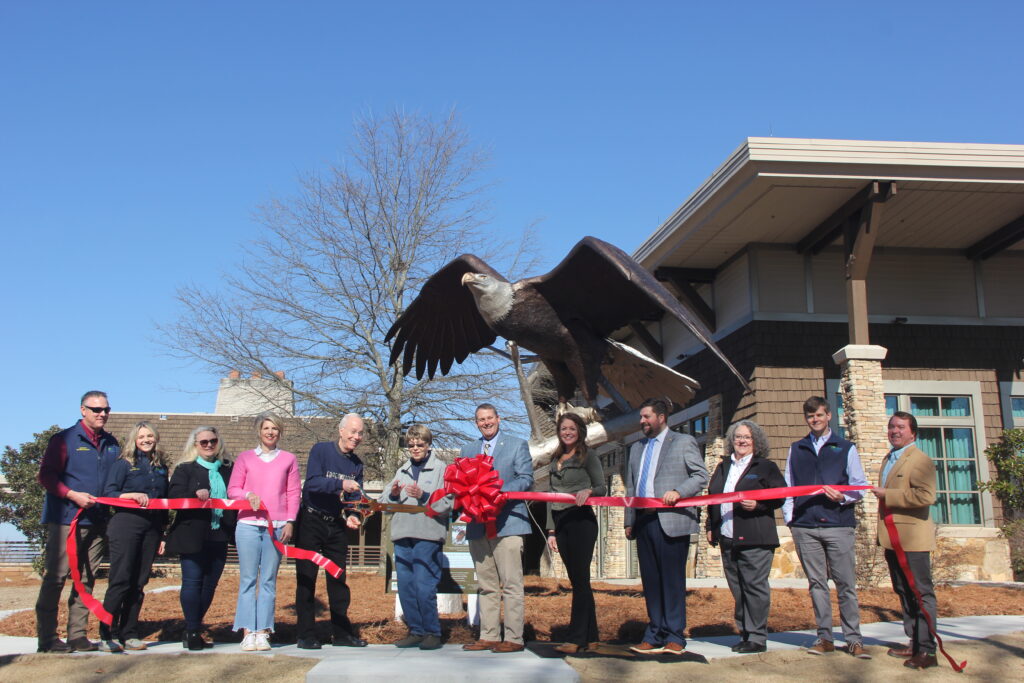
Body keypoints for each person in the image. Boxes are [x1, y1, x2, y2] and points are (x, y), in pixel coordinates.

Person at [782, 396, 871, 658]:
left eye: (819, 415)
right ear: (806, 419)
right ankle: (825, 638)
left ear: (828, 415)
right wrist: (791, 518)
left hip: (838, 525)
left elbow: (859, 486)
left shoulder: (845, 448)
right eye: (810, 416)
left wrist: (843, 497)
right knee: (816, 585)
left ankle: (854, 639)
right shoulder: (797, 448)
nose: (815, 420)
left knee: (846, 585)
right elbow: (789, 487)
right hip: (805, 526)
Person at [35, 390, 121, 653]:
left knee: (86, 579)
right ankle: (48, 639)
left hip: (96, 521)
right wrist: (72, 495)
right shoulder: (64, 440)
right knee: (56, 578)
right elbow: (46, 477)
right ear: (83, 410)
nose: (102, 414)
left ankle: (78, 636)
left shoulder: (112, 443)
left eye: (105, 409)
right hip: (65, 521)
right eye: (96, 409)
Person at [624, 397, 708, 655]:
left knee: (671, 581)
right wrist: (630, 520)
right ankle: (654, 633)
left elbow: (700, 475)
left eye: (646, 417)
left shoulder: (683, 442)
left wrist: (679, 491)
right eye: (641, 417)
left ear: (661, 417)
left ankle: (675, 636)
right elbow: (630, 485)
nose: (642, 422)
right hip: (645, 521)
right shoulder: (636, 448)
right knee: (650, 581)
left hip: (671, 520)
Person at [707, 420, 786, 654]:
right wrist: (711, 525)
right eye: (738, 436)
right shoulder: (723, 467)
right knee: (738, 589)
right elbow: (712, 497)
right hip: (728, 537)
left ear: (756, 442)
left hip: (756, 538)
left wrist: (760, 504)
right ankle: (744, 633)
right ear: (732, 440)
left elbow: (780, 496)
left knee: (754, 587)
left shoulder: (765, 467)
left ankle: (757, 637)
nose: (741, 441)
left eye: (747, 437)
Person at [460, 403, 533, 653]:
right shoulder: (467, 449)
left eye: (490, 418)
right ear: (476, 422)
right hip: (478, 526)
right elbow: (460, 483)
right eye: (481, 419)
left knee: (512, 584)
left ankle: (514, 638)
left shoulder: (516, 444)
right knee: (486, 584)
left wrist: (498, 492)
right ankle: (489, 635)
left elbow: (526, 478)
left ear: (498, 419)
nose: (486, 422)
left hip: (508, 523)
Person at [227, 412, 301, 652]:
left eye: (275, 429)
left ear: (280, 433)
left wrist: (290, 521)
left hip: (277, 526)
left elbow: (292, 493)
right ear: (259, 431)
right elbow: (233, 489)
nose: (270, 432)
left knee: (268, 580)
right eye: (266, 428)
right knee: (248, 580)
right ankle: (248, 631)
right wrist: (248, 495)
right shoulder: (246, 458)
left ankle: (263, 632)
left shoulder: (288, 459)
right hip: (248, 524)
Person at [872, 411, 938, 670]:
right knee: (904, 592)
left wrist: (888, 494)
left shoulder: (920, 460)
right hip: (892, 538)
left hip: (913, 541)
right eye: (891, 427)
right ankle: (914, 642)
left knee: (921, 594)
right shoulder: (889, 457)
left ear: (913, 432)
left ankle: (928, 650)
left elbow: (926, 496)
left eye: (900, 427)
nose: (894, 431)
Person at [294, 413, 366, 649]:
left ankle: (342, 634)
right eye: (353, 432)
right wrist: (340, 484)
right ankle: (306, 635)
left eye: (360, 433)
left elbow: (355, 498)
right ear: (341, 431)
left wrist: (354, 515)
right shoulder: (321, 451)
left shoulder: (357, 464)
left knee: (338, 579)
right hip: (311, 520)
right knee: (307, 579)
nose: (356, 437)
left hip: (335, 525)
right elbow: (313, 483)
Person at [97, 421, 170, 652]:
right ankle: (106, 634)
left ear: (155, 438)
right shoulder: (123, 463)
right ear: (134, 440)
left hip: (152, 528)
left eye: (150, 436)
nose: (146, 440)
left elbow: (165, 503)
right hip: (126, 525)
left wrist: (163, 534)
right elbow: (109, 493)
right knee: (120, 580)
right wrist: (130, 495)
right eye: (141, 437)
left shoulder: (160, 467)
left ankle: (129, 632)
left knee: (139, 583)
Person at [380, 424, 453, 651]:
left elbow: (448, 503)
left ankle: (432, 632)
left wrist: (424, 496)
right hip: (402, 536)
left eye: (419, 444)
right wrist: (393, 494)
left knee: (424, 586)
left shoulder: (442, 469)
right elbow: (384, 503)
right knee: (406, 587)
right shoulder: (401, 470)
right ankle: (416, 630)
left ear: (428, 445)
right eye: (411, 445)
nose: (415, 448)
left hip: (428, 536)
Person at [165, 425, 237, 651]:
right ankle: (193, 629)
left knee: (210, 585)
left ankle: (193, 626)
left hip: (220, 533)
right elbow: (173, 496)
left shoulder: (228, 469)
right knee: (192, 582)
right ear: (195, 445)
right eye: (203, 442)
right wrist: (193, 495)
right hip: (192, 534)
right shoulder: (185, 469)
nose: (208, 445)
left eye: (212, 441)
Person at [545, 412, 606, 654]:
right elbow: (550, 494)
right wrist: (551, 530)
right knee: (579, 581)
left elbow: (602, 486)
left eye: (571, 428)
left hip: (581, 521)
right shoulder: (556, 457)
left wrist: (589, 491)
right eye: (563, 429)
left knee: (580, 580)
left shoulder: (588, 455)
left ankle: (576, 637)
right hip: (560, 522)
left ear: (580, 430)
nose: (567, 432)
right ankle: (591, 636)